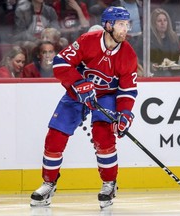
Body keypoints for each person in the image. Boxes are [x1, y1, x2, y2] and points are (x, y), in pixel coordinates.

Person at [30, 6, 138, 209]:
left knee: (103, 136)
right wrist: (78, 83)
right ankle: (48, 183)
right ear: (108, 25)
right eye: (121, 24)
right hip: (77, 94)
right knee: (55, 135)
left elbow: (127, 91)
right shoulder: (88, 41)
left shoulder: (128, 55)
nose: (125, 29)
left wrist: (124, 114)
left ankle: (108, 184)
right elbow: (61, 62)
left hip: (106, 96)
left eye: (127, 24)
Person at [150, 8, 180, 76]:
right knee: (167, 74)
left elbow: (178, 57)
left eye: (165, 20)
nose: (163, 23)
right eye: (159, 21)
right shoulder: (147, 38)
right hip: (155, 71)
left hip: (173, 69)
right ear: (154, 24)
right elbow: (139, 59)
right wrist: (150, 65)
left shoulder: (173, 37)